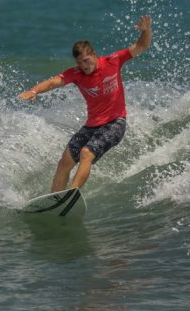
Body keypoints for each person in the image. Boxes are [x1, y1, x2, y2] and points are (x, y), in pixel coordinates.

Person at [18, 15, 152, 193]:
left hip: (115, 123)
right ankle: (54, 199)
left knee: (86, 153)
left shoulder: (113, 61)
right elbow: (52, 82)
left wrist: (145, 31)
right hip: (92, 126)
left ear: (94, 55)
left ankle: (71, 194)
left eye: (87, 60)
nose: (84, 66)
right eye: (80, 62)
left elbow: (141, 46)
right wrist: (34, 91)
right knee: (65, 161)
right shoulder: (76, 74)